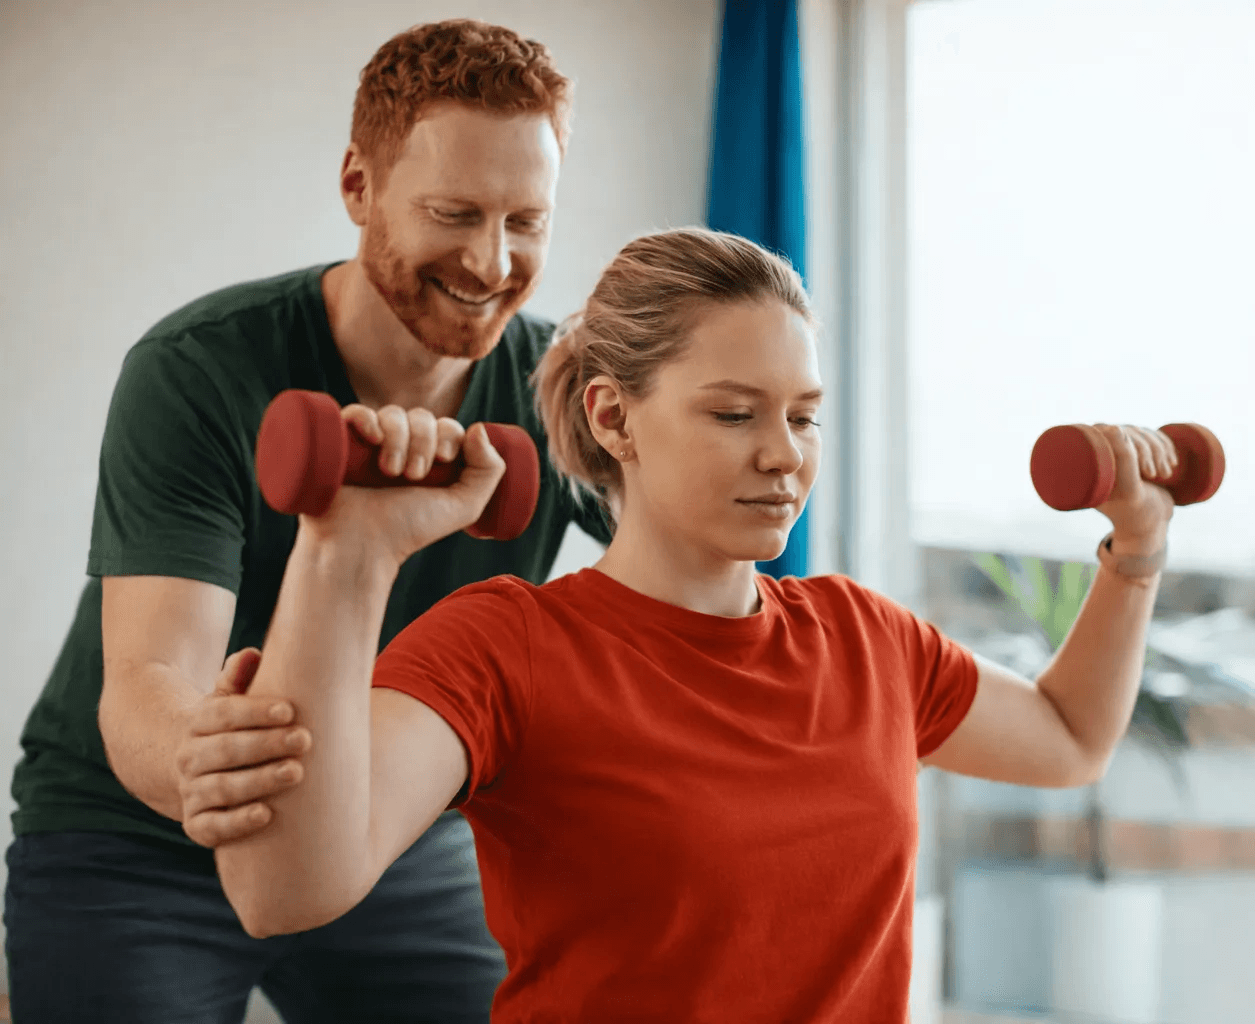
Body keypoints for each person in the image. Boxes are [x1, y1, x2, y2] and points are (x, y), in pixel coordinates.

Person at [199, 226, 1180, 1022]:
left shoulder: (866, 637)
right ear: (614, 417)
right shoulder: (509, 646)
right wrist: (349, 552)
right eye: (733, 414)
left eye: (803, 416)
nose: (782, 456)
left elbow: (1068, 736)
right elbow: (287, 889)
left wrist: (1137, 546)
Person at [3, 19, 611, 1024]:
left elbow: (674, 558)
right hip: (139, 837)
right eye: (454, 211)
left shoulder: (561, 396)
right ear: (358, 188)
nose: (491, 260)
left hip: (386, 825)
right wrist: (201, 749)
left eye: (527, 221)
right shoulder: (199, 368)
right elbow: (150, 675)